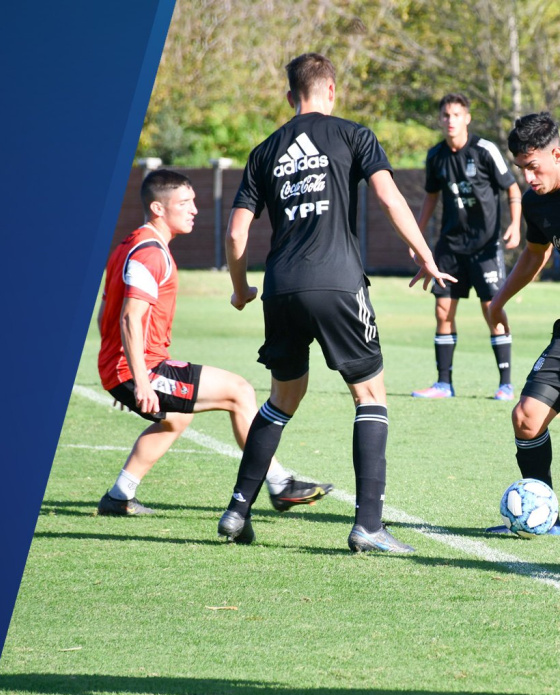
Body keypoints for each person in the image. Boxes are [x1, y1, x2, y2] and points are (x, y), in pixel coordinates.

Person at [219, 53, 454, 553]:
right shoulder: (354, 134)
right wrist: (425, 254)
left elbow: (237, 232)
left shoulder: (264, 151)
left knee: (282, 398)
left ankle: (238, 510)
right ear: (332, 91)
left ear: (290, 98)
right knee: (370, 397)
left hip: (280, 287)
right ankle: (368, 524)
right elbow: (391, 199)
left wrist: (241, 288)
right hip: (338, 283)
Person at [96, 168, 332, 533]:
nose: (194, 210)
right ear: (158, 208)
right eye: (185, 203)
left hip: (128, 366)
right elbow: (129, 318)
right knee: (239, 392)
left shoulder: (129, 244)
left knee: (176, 417)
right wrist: (137, 380)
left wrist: (118, 369)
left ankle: (119, 495)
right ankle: (279, 483)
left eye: (194, 202)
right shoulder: (151, 255)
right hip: (140, 367)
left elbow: (106, 311)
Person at [411, 93, 522, 400]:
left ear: (467, 118)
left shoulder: (485, 151)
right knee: (442, 309)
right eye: (445, 115)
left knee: (492, 308)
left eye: (456, 115)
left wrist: (514, 225)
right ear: (440, 119)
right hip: (450, 247)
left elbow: (512, 187)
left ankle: (506, 384)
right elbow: (431, 197)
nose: (450, 120)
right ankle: (443, 384)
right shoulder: (436, 156)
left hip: (485, 246)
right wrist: (416, 236)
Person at [487, 112, 560, 534]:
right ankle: (546, 517)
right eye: (521, 168)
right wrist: (499, 301)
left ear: (557, 154)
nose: (528, 177)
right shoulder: (536, 201)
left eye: (534, 166)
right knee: (527, 418)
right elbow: (535, 253)